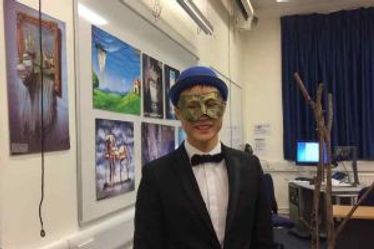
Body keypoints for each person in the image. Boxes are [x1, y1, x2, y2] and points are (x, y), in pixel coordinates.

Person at [133, 66, 273, 249]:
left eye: (211, 104)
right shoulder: (156, 176)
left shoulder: (250, 166)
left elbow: (263, 237)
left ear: (223, 108)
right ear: (178, 112)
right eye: (192, 106)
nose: (203, 115)